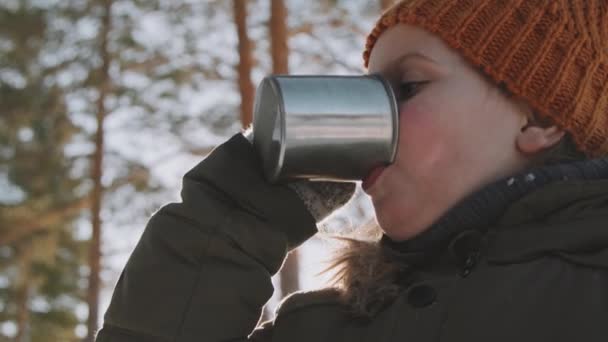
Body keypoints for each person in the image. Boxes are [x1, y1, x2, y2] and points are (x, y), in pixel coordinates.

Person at [96, 1, 608, 341]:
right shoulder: (333, 325)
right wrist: (233, 216)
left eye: (405, 88)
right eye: (367, 93)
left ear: (538, 117)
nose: (373, 124)